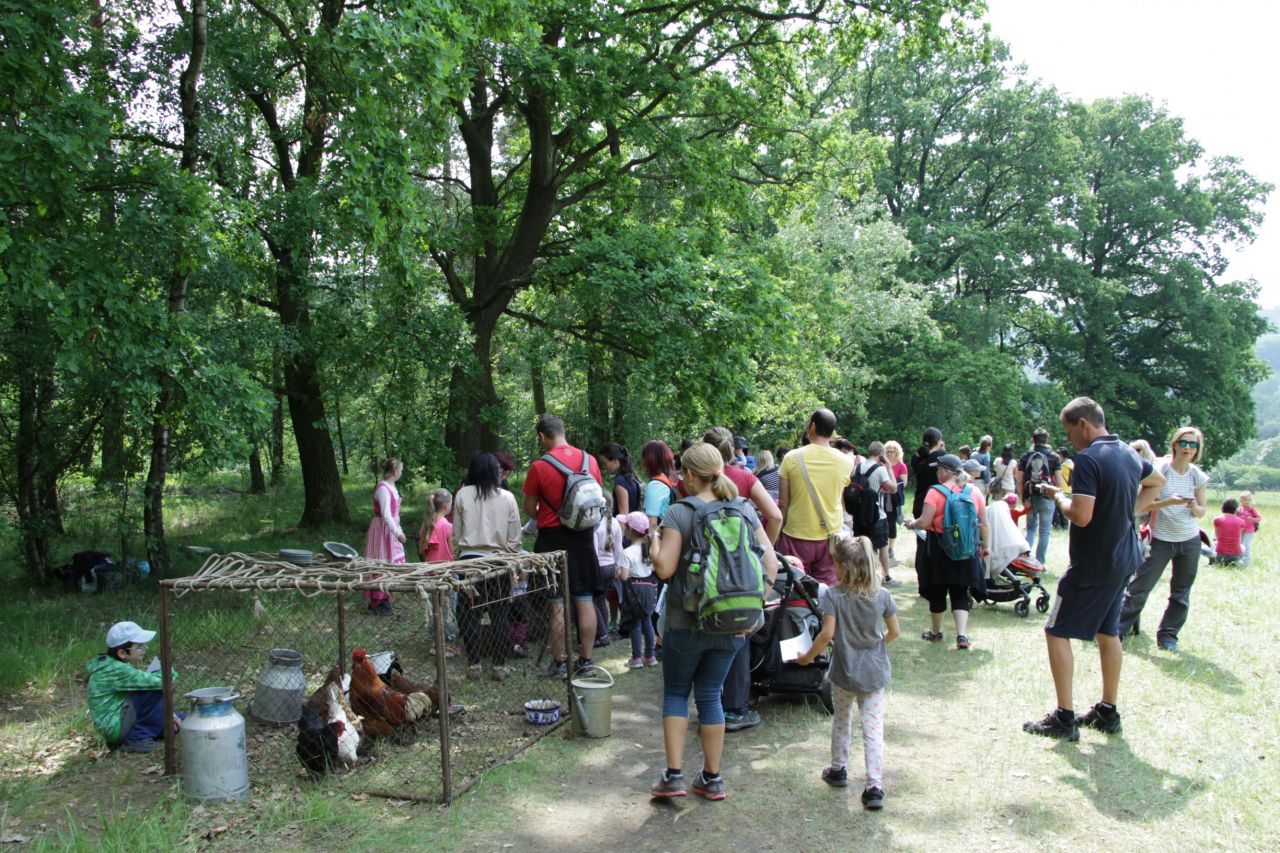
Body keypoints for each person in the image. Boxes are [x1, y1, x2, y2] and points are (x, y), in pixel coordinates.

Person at [1024, 397, 1163, 741]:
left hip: (1093, 563)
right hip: (1125, 558)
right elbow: (1157, 481)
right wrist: (1128, 511)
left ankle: (1064, 717)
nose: (1068, 438)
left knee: (1056, 631)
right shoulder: (1129, 452)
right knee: (1108, 631)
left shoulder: (1087, 459)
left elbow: (1081, 516)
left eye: (1069, 431)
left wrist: (1058, 496)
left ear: (1083, 424)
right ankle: (1107, 710)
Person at [649, 443, 779, 801]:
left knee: (677, 694)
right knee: (710, 695)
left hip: (684, 623)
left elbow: (665, 569)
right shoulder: (745, 509)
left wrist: (654, 542)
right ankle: (712, 777)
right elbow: (771, 564)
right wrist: (753, 606)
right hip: (733, 624)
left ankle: (673, 776)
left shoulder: (679, 512)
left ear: (690, 475)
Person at [795, 536, 899, 810]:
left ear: (845, 566)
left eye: (836, 564)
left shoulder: (834, 596)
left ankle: (838, 769)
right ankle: (874, 786)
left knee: (842, 721)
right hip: (873, 674)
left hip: (843, 673)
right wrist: (877, 648)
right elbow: (894, 632)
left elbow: (826, 634)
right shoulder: (882, 596)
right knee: (872, 727)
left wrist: (807, 657)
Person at [695, 427, 782, 732]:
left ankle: (708, 702)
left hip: (705, 571)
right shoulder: (745, 479)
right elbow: (776, 516)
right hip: (741, 569)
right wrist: (760, 550)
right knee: (739, 634)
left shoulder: (694, 479)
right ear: (734, 451)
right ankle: (734, 708)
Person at [522, 414, 604, 676]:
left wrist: (547, 514)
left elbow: (529, 507)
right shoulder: (589, 460)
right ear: (563, 431)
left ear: (542, 437)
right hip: (583, 536)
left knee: (556, 600)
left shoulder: (539, 466)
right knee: (584, 597)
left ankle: (559, 662)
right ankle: (586, 660)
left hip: (552, 539)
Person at [1116, 426, 1208, 652]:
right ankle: (1116, 632)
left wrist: (1193, 506)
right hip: (1161, 539)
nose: (1188, 447)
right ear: (1175, 444)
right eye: (1183, 442)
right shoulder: (1161, 470)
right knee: (1140, 587)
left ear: (1197, 449)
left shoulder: (1198, 476)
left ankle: (1168, 636)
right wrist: (1169, 502)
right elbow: (1141, 505)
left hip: (1189, 540)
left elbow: (1202, 512)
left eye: (1193, 444)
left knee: (1181, 592)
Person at [904, 454, 988, 650]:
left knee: (938, 590)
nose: (936, 472)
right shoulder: (974, 491)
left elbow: (924, 522)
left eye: (938, 469)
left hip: (939, 547)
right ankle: (962, 635)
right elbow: (984, 523)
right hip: (966, 547)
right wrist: (987, 546)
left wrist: (911, 524)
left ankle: (936, 632)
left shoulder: (934, 492)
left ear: (946, 472)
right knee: (960, 590)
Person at [453, 452, 523, 681]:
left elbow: (457, 534)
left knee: (468, 614)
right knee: (500, 614)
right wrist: (512, 558)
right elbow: (515, 537)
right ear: (494, 471)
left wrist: (456, 559)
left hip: (469, 562)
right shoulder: (507, 497)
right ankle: (499, 666)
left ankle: (474, 665)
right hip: (498, 563)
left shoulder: (462, 494)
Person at [777, 409, 855, 586]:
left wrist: (777, 534)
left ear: (812, 426)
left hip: (796, 535)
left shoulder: (791, 458)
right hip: (831, 537)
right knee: (827, 589)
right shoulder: (846, 462)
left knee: (795, 588)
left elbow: (783, 504)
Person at [87, 621, 181, 752]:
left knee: (180, 716)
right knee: (152, 690)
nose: (146, 648)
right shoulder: (116, 670)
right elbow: (163, 681)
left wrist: (172, 714)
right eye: (140, 646)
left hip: (116, 721)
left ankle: (155, 727)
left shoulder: (110, 665)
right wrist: (168, 669)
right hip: (115, 726)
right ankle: (136, 738)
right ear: (122, 653)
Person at [850, 441, 899, 587]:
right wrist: (889, 467)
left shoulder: (857, 467)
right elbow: (894, 488)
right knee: (882, 546)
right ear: (881, 454)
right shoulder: (880, 469)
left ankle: (861, 576)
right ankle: (885, 576)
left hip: (859, 515)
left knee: (861, 548)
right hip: (877, 515)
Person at [1016, 429, 1065, 568]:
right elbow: (1059, 481)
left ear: (1033, 440)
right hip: (1047, 497)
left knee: (1030, 529)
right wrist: (1057, 495)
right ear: (1046, 440)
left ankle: (1024, 560)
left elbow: (1019, 480)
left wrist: (1023, 498)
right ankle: (1040, 563)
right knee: (1044, 532)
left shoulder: (1026, 456)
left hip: (1030, 497)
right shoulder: (1054, 457)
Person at [363, 458, 406, 615]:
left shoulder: (392, 487)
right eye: (401, 470)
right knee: (381, 562)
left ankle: (385, 597)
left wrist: (398, 529)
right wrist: (397, 532)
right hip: (382, 530)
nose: (401, 473)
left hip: (391, 529)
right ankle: (377, 602)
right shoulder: (383, 488)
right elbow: (386, 514)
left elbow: (394, 515)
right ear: (395, 471)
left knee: (390, 562)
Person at [617, 512, 659, 668]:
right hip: (649, 588)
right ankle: (650, 656)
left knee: (635, 624)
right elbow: (653, 568)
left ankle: (636, 658)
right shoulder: (649, 549)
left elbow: (624, 576)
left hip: (634, 591)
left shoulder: (627, 552)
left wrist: (618, 572)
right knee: (648, 622)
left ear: (630, 530)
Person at [592, 495, 624, 646]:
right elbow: (618, 548)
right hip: (611, 566)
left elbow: (593, 550)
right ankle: (602, 634)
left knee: (591, 601)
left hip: (598, 567)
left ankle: (603, 634)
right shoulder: (616, 522)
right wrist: (617, 565)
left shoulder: (595, 523)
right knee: (601, 600)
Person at [641, 440, 680, 535]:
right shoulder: (671, 479)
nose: (642, 463)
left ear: (651, 460)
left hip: (660, 538)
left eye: (644, 458)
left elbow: (651, 523)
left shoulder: (656, 485)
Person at [597, 443, 641, 516]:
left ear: (615, 461)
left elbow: (623, 516)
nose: (603, 467)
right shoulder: (632, 477)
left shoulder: (620, 482)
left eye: (604, 463)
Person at [883, 441, 908, 563]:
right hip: (882, 497)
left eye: (891, 451)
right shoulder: (882, 464)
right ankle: (882, 545)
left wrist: (892, 486)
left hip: (893, 499)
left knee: (891, 522)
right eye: (887, 451)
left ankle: (891, 547)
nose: (889, 453)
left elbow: (904, 484)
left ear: (897, 452)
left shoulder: (901, 466)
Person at [419, 488, 454, 563]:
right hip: (446, 568)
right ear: (446, 506)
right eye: (451, 504)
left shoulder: (426, 525)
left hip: (430, 568)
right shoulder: (448, 526)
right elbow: (452, 553)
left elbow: (421, 551)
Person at [1212, 498, 1247, 566]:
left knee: (1204, 548)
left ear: (1222, 508)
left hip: (1220, 555)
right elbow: (1239, 537)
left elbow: (1217, 536)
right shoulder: (1242, 522)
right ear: (1236, 510)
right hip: (1236, 555)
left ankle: (1212, 561)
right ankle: (1236, 562)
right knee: (1243, 547)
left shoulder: (1217, 520)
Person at [1237, 491, 1261, 564]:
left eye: (1249, 500)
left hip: (1249, 530)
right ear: (1241, 501)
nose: (1247, 501)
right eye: (1245, 500)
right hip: (1241, 530)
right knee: (1240, 544)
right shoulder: (1239, 510)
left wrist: (1253, 519)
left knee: (1246, 545)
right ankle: (1240, 558)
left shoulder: (1252, 509)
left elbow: (1259, 518)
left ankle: (1246, 560)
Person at [1053, 447, 1074, 528]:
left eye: (1058, 455)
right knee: (1061, 509)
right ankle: (1062, 525)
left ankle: (1062, 525)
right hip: (1067, 489)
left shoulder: (1063, 466)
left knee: (1061, 508)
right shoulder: (1071, 464)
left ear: (1062, 455)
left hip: (1063, 489)